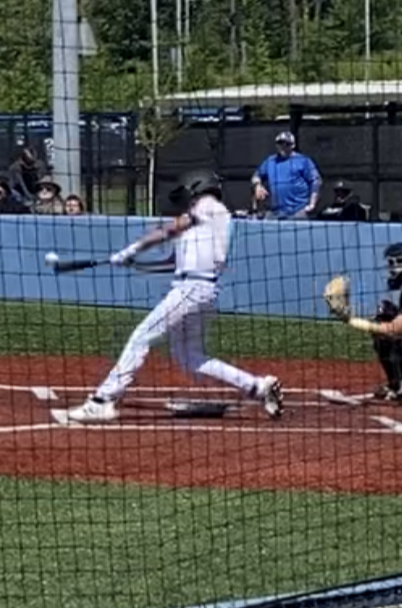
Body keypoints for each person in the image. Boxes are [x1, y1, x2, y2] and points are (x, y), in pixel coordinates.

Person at [50, 169, 284, 425]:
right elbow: (171, 262)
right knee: (190, 356)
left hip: (191, 290)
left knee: (141, 336)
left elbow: (168, 230)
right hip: (198, 289)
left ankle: (103, 401)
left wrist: (132, 249)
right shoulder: (203, 227)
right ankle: (257, 387)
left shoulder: (209, 205)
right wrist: (134, 263)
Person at [335, 242, 402, 402]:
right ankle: (399, 386)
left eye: (398, 262)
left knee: (390, 329)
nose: (392, 268)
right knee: (386, 320)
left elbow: (396, 328)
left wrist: (351, 319)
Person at [251, 131, 321, 219]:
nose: (283, 147)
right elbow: (256, 176)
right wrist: (258, 185)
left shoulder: (303, 161)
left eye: (287, 144)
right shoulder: (270, 161)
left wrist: (312, 204)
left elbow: (316, 181)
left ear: (293, 145)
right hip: (275, 211)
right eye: (280, 143)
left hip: (298, 211)